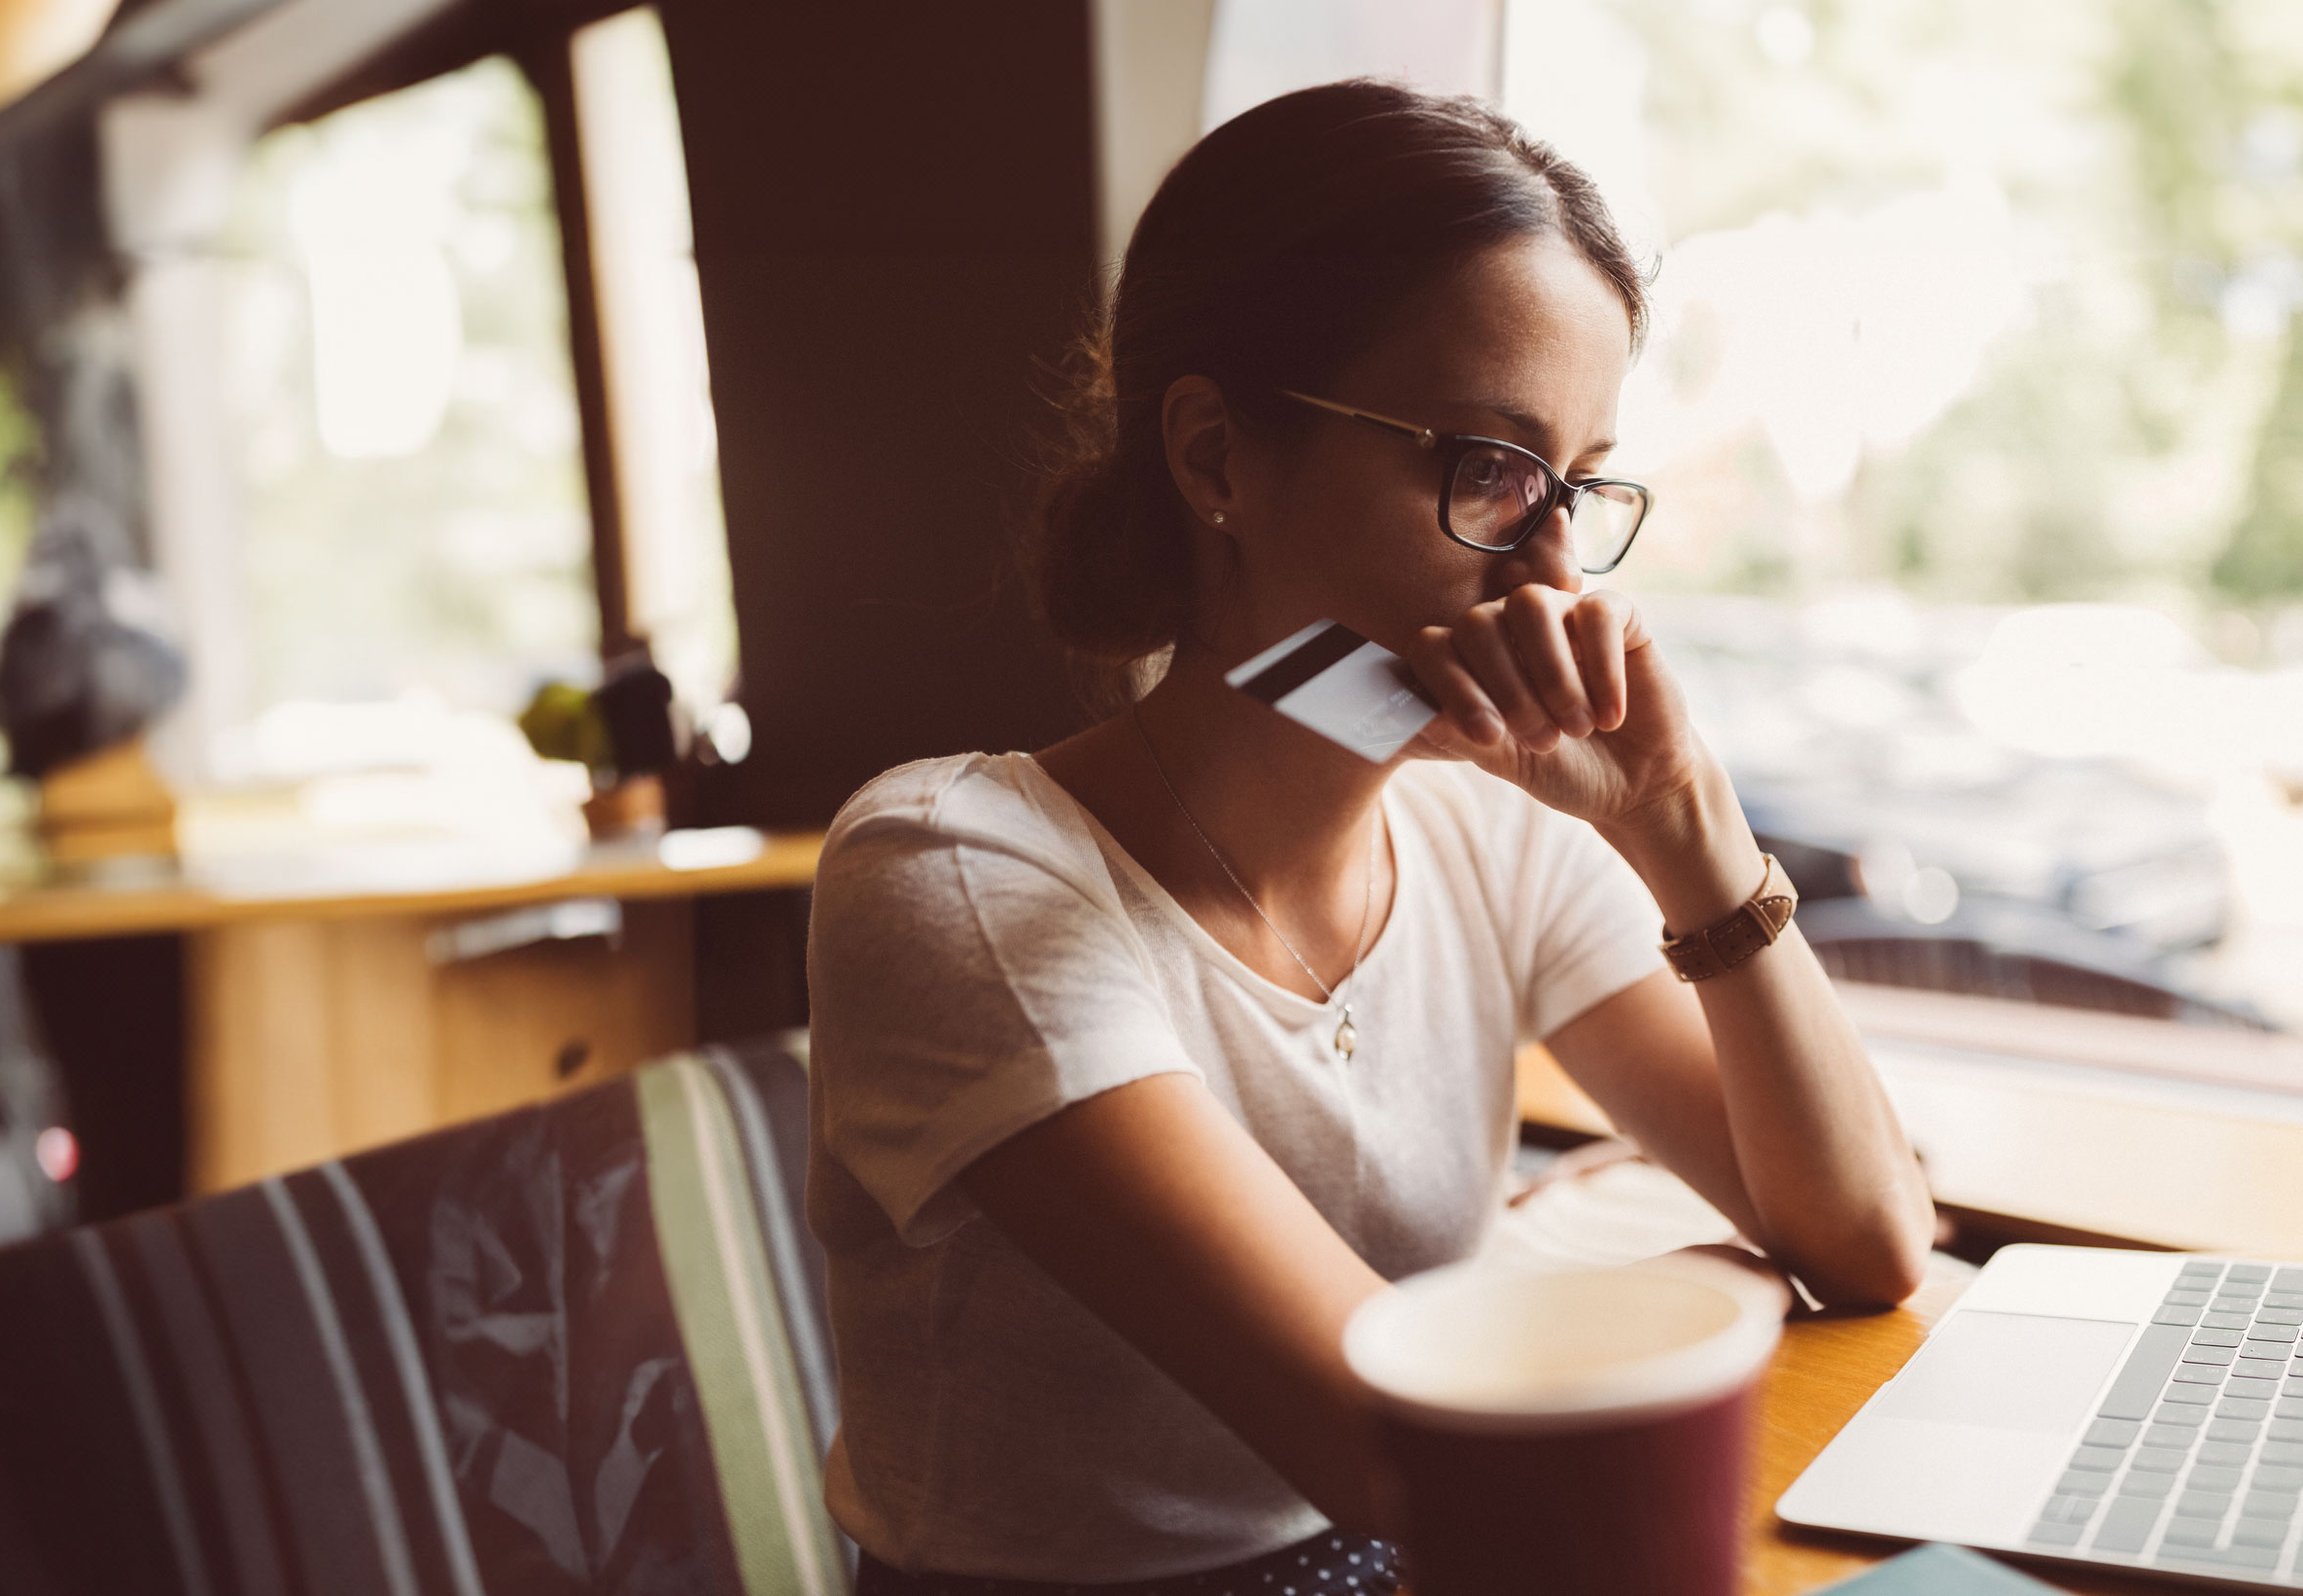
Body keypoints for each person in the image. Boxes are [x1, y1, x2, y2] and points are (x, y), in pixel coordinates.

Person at [806, 79, 1936, 1596]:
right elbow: (1399, 1452)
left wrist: (1685, 827)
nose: (1551, 576)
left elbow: (1866, 1238)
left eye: (1579, 489)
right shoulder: (961, 875)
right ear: (1213, 458)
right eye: (1485, 468)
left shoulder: (1487, 830)